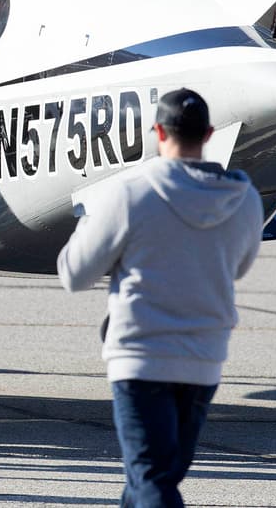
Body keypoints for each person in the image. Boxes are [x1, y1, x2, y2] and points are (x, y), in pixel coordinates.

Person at [57, 88, 263, 508]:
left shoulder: (131, 193)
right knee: (149, 481)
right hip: (204, 360)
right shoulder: (243, 199)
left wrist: (92, 222)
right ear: (207, 134)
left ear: (157, 131)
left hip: (141, 357)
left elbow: (74, 273)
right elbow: (239, 267)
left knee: (151, 481)